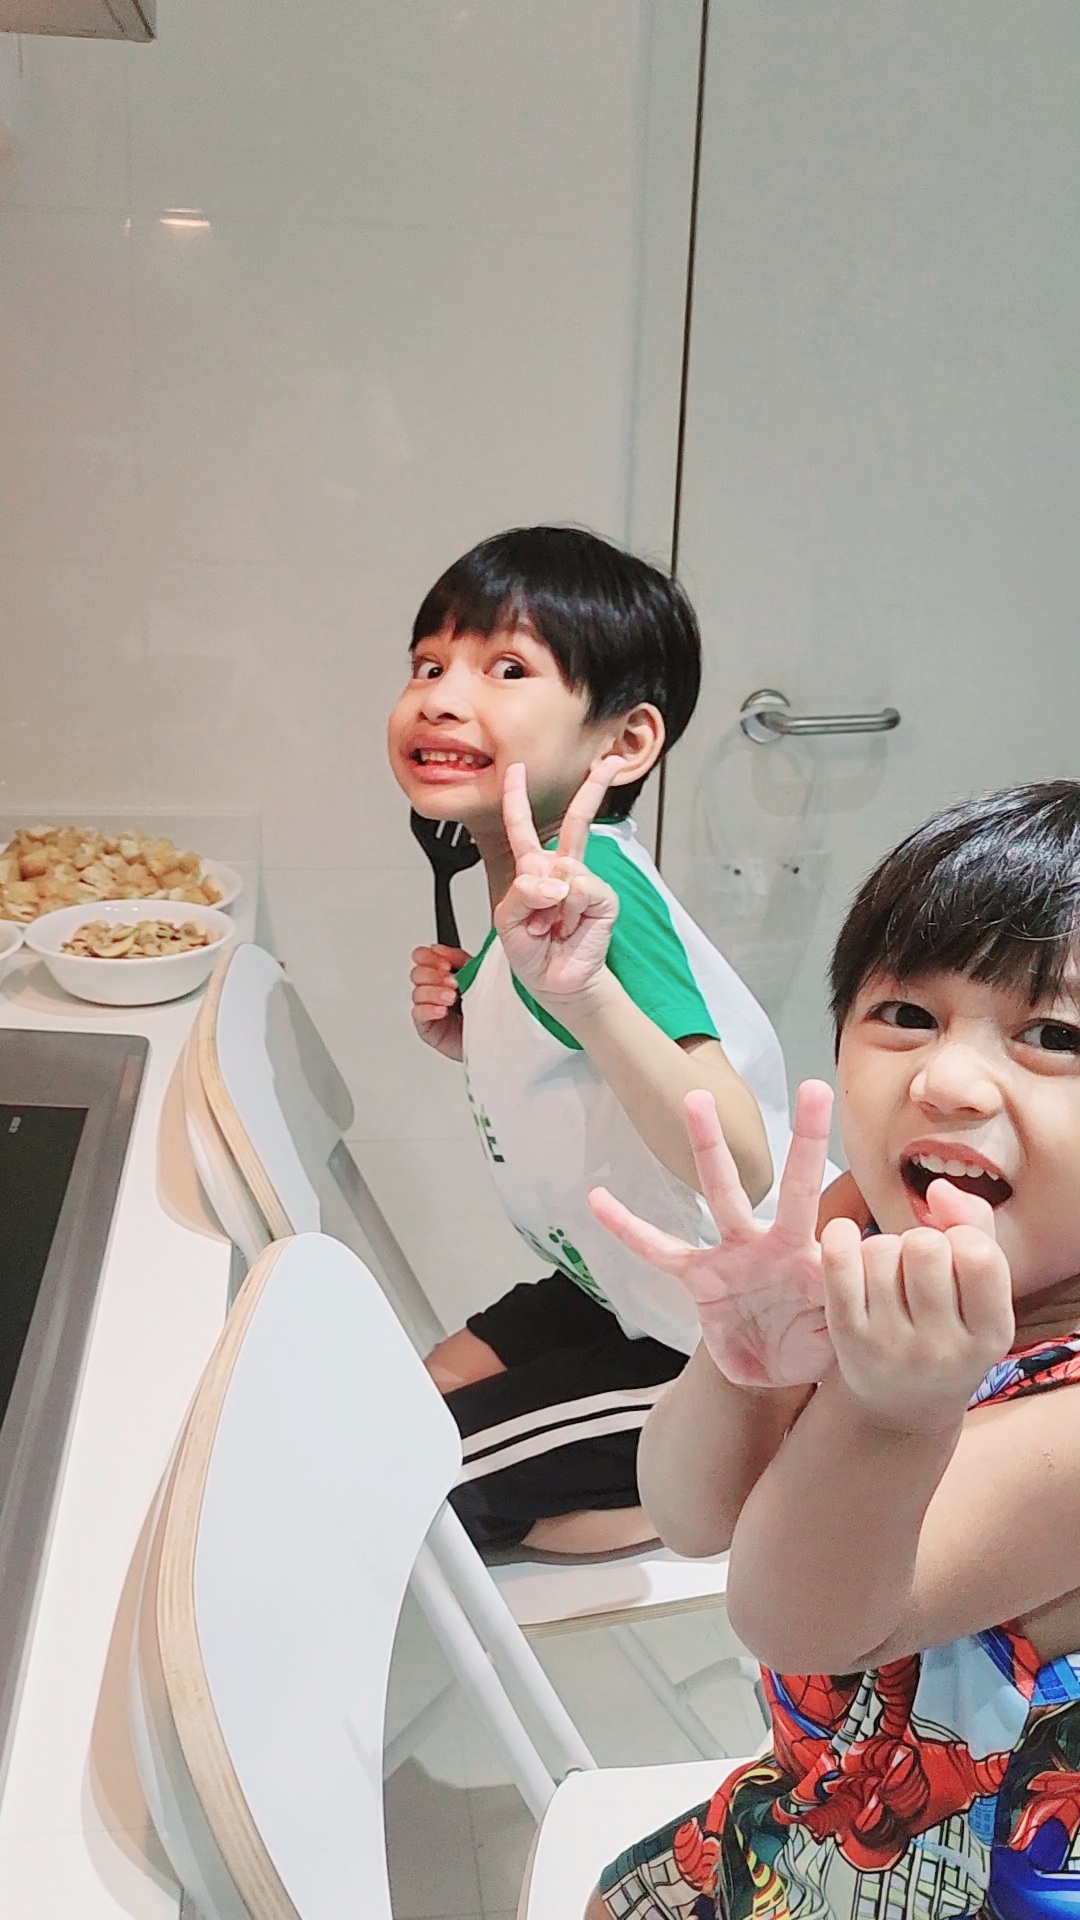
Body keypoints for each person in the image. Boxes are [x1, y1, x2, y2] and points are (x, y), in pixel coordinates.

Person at [584, 778, 1080, 1920]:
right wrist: (740, 1366)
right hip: (807, 1819)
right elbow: (692, 1515)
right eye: (905, 1015)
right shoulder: (870, 1225)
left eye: (1053, 1036)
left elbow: (804, 1620)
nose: (948, 1080)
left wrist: (890, 1413)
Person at [387, 524, 823, 1558]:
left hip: (723, 1345)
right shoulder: (532, 883)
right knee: (415, 1397)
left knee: (417, 1500)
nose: (443, 695)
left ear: (622, 743)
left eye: (505, 668)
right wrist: (486, 1030)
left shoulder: (603, 892)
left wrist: (580, 1001)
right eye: (429, 663)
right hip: (620, 1288)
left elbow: (742, 1152)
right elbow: (580, 1065)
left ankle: (742, 1484)